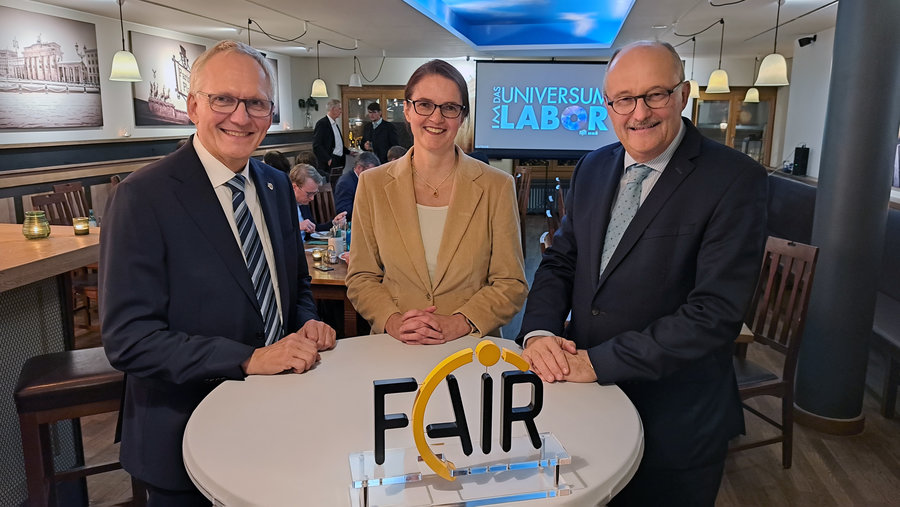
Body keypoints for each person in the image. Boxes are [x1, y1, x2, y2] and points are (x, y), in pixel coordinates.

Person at [516, 41, 767, 506]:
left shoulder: (736, 179)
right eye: (623, 99)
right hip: (586, 407)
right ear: (608, 105)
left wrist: (596, 362)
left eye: (656, 94)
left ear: (684, 93)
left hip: (675, 423)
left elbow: (713, 314)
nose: (639, 113)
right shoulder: (594, 166)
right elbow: (561, 260)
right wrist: (539, 332)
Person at [100, 40, 336, 506]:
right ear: (193, 106)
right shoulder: (141, 197)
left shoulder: (274, 186)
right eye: (223, 99)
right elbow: (129, 339)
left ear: (270, 113)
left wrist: (305, 321)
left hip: (277, 421)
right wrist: (247, 359)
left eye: (256, 103)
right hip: (183, 434)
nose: (241, 116)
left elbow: (296, 287)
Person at [346, 59, 527, 344]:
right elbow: (361, 276)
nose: (436, 117)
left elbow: (511, 283)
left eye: (450, 108)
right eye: (425, 104)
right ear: (407, 109)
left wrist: (459, 322)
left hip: (471, 348)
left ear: (462, 116)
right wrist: (394, 322)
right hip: (396, 347)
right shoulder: (373, 184)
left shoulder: (497, 186)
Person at [290, 163, 346, 237]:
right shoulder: (279, 204)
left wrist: (334, 223)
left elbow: (314, 228)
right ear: (294, 187)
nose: (312, 198)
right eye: (309, 193)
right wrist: (297, 226)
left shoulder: (302, 203)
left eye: (314, 193)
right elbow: (276, 235)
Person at [334, 150, 379, 221]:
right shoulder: (345, 183)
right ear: (359, 168)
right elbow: (343, 211)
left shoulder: (364, 180)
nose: (372, 176)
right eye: (370, 172)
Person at [313, 99, 350, 176]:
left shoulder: (334, 124)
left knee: (337, 182)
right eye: (339, 108)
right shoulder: (322, 123)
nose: (341, 111)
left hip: (339, 160)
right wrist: (328, 159)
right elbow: (317, 145)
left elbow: (337, 143)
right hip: (330, 161)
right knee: (330, 184)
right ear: (333, 109)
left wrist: (349, 152)